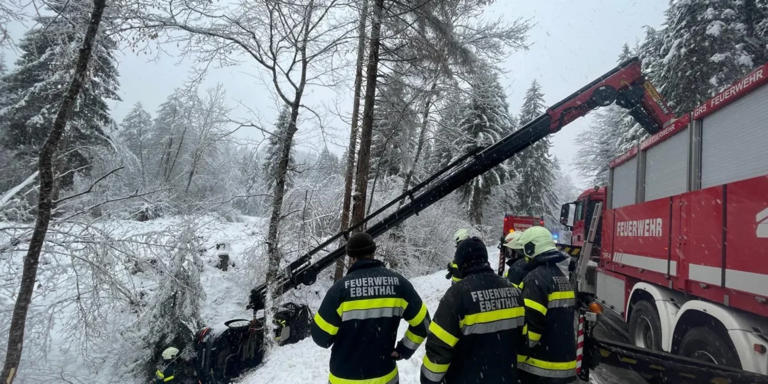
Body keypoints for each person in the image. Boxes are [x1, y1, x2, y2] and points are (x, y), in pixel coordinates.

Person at [311, 232, 430, 384]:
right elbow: (423, 323)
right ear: (373, 253)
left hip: (344, 378)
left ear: (351, 257)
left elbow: (321, 338)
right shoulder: (399, 285)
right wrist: (403, 350)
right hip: (385, 377)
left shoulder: (339, 290)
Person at [421, 237, 524, 384]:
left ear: (461, 263)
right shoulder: (514, 292)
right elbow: (523, 343)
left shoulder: (456, 296)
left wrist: (428, 380)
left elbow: (439, 348)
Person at [517, 226, 578, 383]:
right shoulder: (561, 278)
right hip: (565, 365)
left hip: (541, 369)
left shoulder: (534, 280)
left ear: (530, 249)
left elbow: (532, 334)